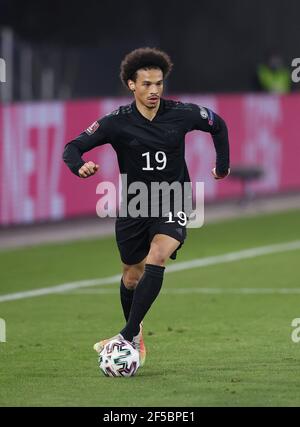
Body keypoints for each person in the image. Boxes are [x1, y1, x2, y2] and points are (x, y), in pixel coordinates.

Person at [62, 47, 230, 367]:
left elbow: (217, 124)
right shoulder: (116, 123)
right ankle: (135, 336)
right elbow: (73, 147)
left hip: (175, 198)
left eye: (159, 83)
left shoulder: (182, 113)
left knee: (158, 255)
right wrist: (78, 166)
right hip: (136, 203)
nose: (154, 90)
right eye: (147, 84)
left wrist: (222, 166)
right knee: (130, 276)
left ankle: (124, 337)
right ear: (131, 85)